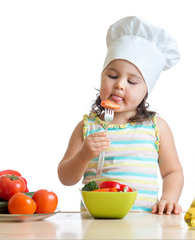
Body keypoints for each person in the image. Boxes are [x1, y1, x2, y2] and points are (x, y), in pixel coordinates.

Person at [58, 16, 183, 215]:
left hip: (145, 224)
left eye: (132, 81)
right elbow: (65, 177)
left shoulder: (156, 127)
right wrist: (83, 156)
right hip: (94, 224)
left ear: (146, 91)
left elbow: (172, 172)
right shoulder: (87, 126)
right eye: (113, 76)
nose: (120, 85)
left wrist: (169, 198)